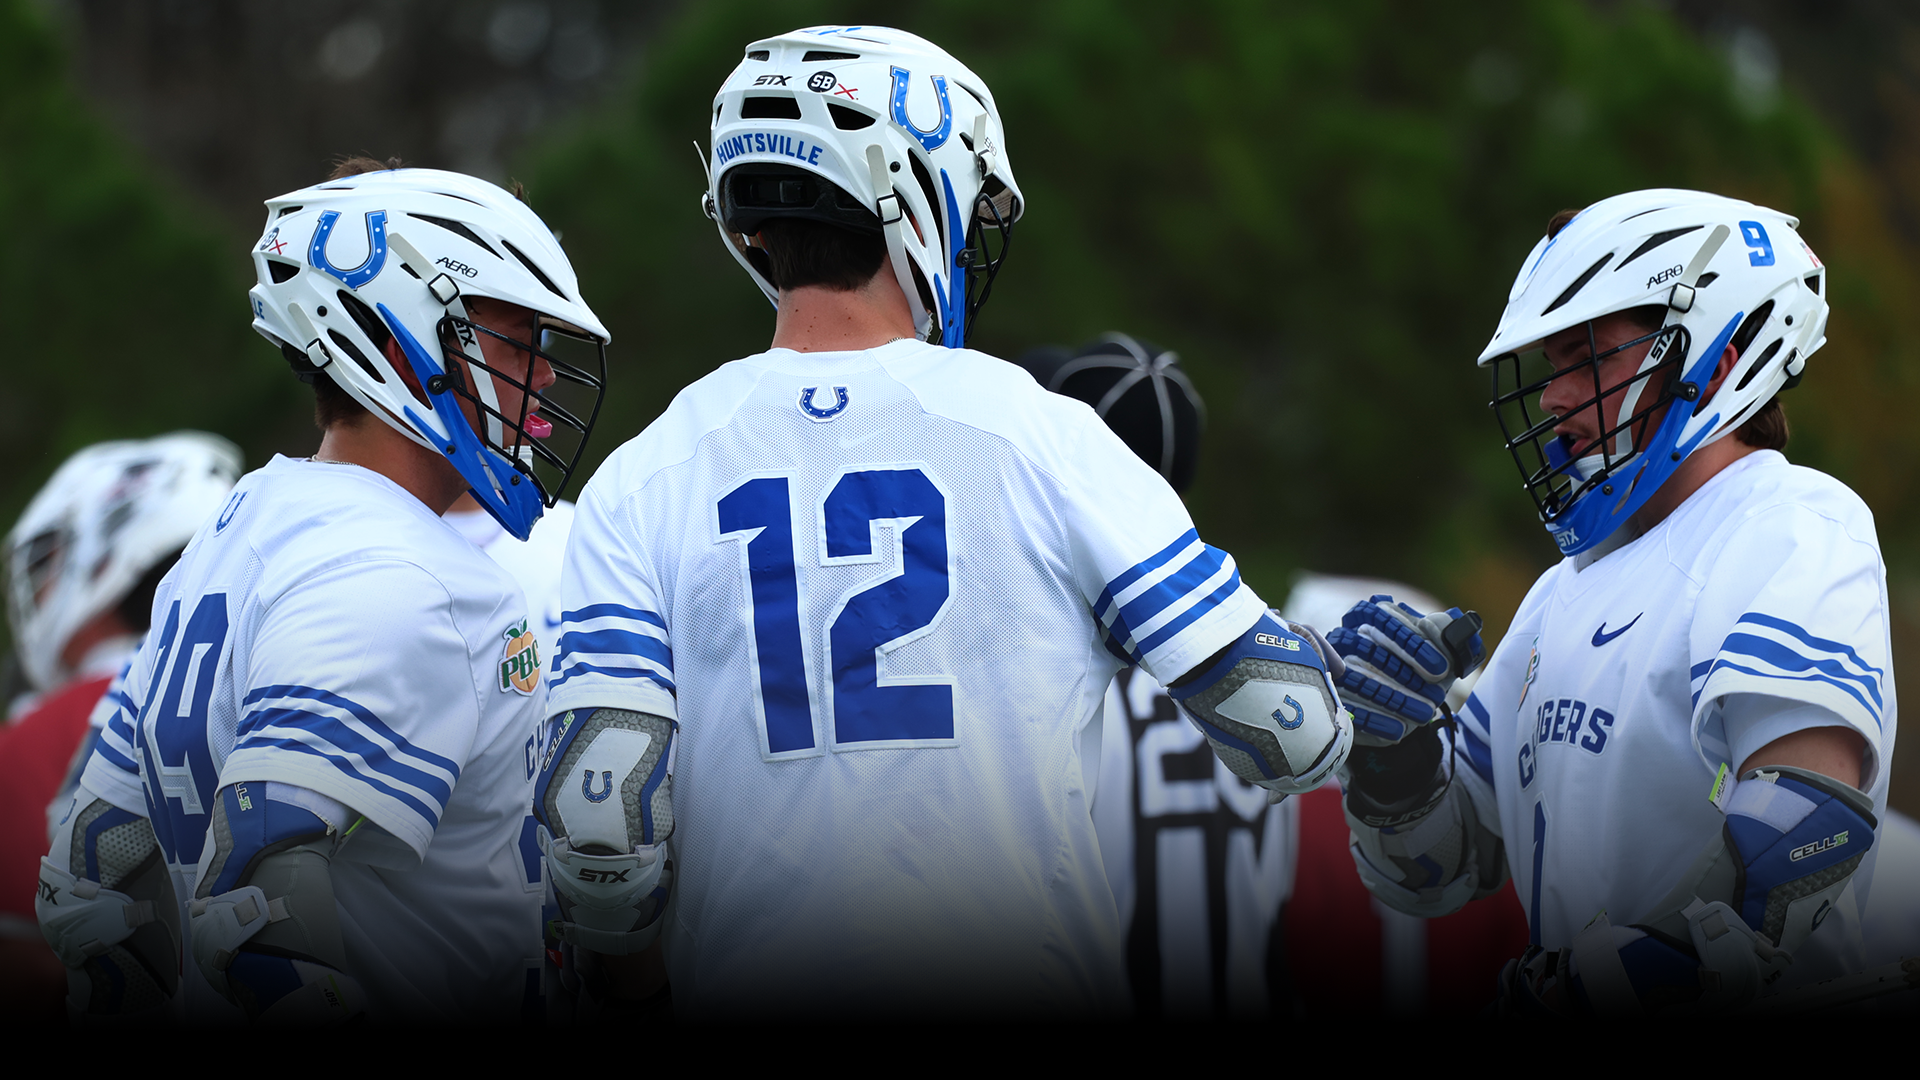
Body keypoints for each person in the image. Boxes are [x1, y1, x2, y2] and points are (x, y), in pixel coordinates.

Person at [533, 25, 1353, 1018]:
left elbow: (602, 837)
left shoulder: (644, 473)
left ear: (749, 218)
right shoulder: (1042, 434)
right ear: (915, 189)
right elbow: (1286, 726)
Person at [35, 159, 611, 1022]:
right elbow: (261, 889)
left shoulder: (235, 534)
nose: (548, 378)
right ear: (397, 345)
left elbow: (99, 860)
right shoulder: (409, 577)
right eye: (516, 339)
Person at [1332, 189, 1894, 1014]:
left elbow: (1809, 829)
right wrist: (1395, 755)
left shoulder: (1793, 525)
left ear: (1724, 354)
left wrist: (1630, 973)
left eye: (1588, 357)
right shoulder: (1561, 590)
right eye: (1553, 366)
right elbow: (1437, 868)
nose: (1555, 398)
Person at [0, 433, 240, 1019]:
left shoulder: (28, 744)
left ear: (105, 556)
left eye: (48, 564)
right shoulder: (298, 664)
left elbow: (25, 971)